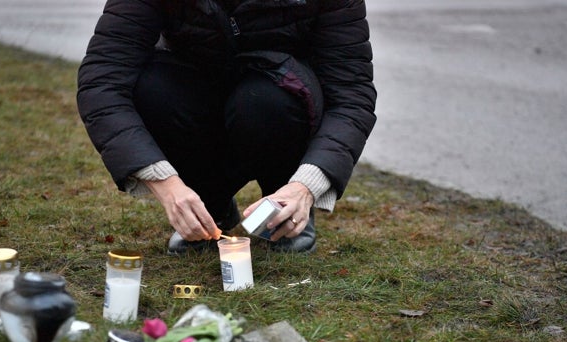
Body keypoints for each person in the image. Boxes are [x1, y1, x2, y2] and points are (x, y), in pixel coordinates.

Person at [77, 0, 377, 254]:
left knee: (262, 101)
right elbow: (102, 82)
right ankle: (209, 203)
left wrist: (307, 186)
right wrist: (164, 183)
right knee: (153, 88)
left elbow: (351, 95)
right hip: (195, 99)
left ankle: (286, 213)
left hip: (276, 103)